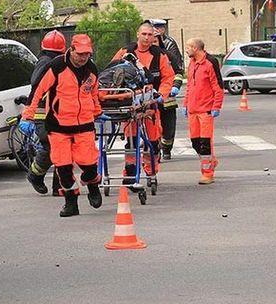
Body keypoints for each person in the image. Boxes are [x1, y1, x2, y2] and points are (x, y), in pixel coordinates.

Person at [20, 34, 103, 217]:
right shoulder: (56, 67)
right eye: (80, 54)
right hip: (58, 126)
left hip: (84, 125)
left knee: (89, 164)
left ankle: (92, 184)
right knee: (63, 168)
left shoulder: (91, 69)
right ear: (71, 50)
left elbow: (93, 93)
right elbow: (38, 90)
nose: (83, 58)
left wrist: (97, 111)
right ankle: (70, 202)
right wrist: (27, 116)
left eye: (87, 54)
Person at [111, 21, 174, 185]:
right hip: (131, 104)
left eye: (150, 35)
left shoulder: (159, 54)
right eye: (144, 34)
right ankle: (130, 173)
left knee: (152, 142)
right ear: (138, 34)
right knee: (131, 141)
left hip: (150, 104)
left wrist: (162, 94)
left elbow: (168, 77)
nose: (146, 38)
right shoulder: (125, 51)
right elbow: (112, 72)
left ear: (154, 37)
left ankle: (151, 172)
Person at [20, 30, 65, 196]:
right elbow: (36, 86)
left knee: (59, 145)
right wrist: (28, 115)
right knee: (51, 145)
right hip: (43, 113)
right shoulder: (48, 63)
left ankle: (58, 186)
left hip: (52, 112)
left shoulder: (47, 60)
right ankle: (35, 175)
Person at [183, 38, 224, 184]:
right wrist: (186, 104)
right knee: (195, 142)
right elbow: (189, 86)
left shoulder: (210, 63)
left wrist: (216, 106)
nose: (186, 49)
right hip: (193, 110)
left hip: (206, 110)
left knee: (205, 142)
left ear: (195, 48)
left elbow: (218, 87)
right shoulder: (192, 64)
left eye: (188, 47)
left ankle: (207, 174)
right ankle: (211, 162)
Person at [150, 20, 185, 160]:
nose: (153, 45)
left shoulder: (168, 56)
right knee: (152, 127)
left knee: (168, 126)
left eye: (155, 42)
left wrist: (175, 86)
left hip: (167, 97)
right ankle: (155, 149)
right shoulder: (141, 58)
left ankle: (167, 149)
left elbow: (178, 72)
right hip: (149, 99)